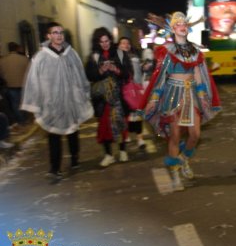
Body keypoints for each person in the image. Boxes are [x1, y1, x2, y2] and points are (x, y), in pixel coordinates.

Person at [143, 12, 221, 191]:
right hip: (172, 95)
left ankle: (184, 160)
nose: (182, 25)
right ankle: (175, 173)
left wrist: (202, 95)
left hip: (191, 94)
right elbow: (162, 76)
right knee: (175, 136)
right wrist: (154, 98)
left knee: (195, 135)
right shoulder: (167, 50)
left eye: (184, 22)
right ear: (172, 28)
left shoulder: (195, 50)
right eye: (178, 23)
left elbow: (198, 74)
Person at [21, 22, 94, 179]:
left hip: (71, 101)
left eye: (61, 32)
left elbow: (81, 75)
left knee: (73, 132)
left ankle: (75, 158)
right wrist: (35, 103)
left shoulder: (71, 54)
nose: (59, 35)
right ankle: (55, 168)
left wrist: (84, 92)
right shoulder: (40, 57)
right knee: (53, 136)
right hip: (52, 104)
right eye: (55, 32)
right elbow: (33, 81)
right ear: (49, 36)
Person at [85, 27, 132, 167]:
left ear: (111, 40)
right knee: (104, 127)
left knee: (120, 123)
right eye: (101, 42)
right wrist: (101, 70)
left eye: (107, 41)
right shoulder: (93, 57)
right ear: (97, 43)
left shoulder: (120, 53)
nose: (105, 44)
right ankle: (108, 155)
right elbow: (89, 75)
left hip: (119, 96)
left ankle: (123, 151)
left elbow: (128, 73)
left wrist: (115, 69)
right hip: (103, 98)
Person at [118, 37, 146, 150]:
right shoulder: (116, 59)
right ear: (119, 45)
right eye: (123, 43)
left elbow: (139, 74)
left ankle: (140, 138)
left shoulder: (135, 57)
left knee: (137, 114)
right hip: (122, 90)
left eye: (127, 43)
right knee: (125, 115)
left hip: (135, 90)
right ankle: (126, 135)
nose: (125, 45)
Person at [0, 42, 30, 126]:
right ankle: (26, 119)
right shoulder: (24, 59)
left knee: (15, 104)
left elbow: (1, 74)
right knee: (25, 103)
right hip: (24, 85)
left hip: (10, 86)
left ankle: (21, 121)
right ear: (17, 48)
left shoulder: (2, 60)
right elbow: (30, 73)